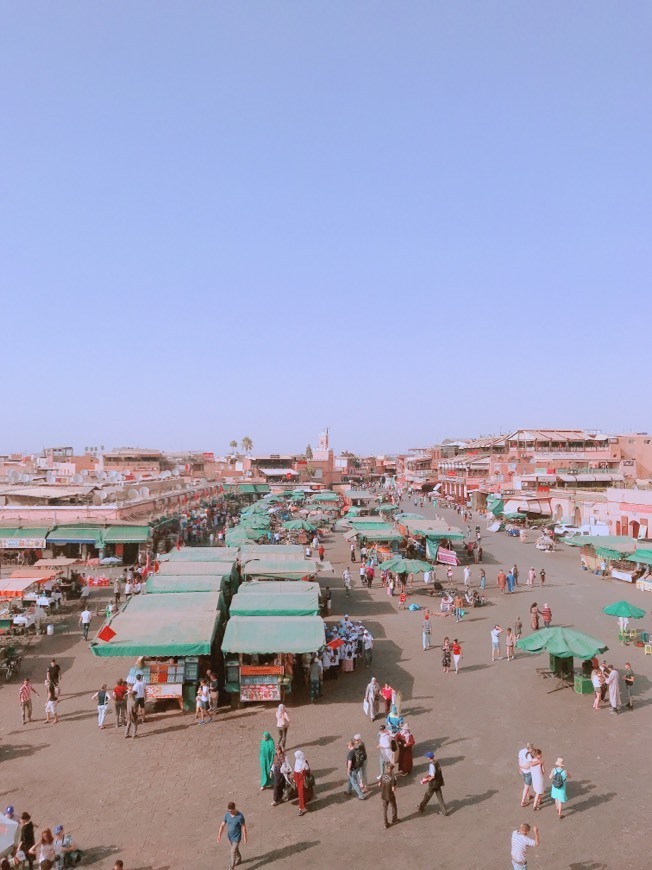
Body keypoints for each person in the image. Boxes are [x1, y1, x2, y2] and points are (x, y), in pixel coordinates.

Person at [217, 802, 247, 870]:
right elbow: (222, 825)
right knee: (235, 849)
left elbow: (243, 827)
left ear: (234, 809)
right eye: (229, 811)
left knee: (232, 852)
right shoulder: (227, 814)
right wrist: (219, 835)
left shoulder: (240, 816)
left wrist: (245, 837)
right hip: (230, 837)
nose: (230, 812)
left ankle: (231, 868)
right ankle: (239, 859)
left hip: (237, 837)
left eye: (231, 811)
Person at [380, 762, 399, 828]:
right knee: (394, 806)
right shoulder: (393, 777)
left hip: (383, 794)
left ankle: (385, 823)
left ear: (387, 768)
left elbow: (379, 784)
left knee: (385, 809)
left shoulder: (383, 775)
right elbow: (393, 789)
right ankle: (394, 819)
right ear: (392, 769)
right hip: (390, 795)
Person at [293, 750, 310, 815]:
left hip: (302, 779)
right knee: (300, 792)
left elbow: (307, 769)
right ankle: (302, 804)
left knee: (301, 792)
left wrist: (303, 770)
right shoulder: (297, 761)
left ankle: (301, 808)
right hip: (298, 778)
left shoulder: (304, 762)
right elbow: (295, 770)